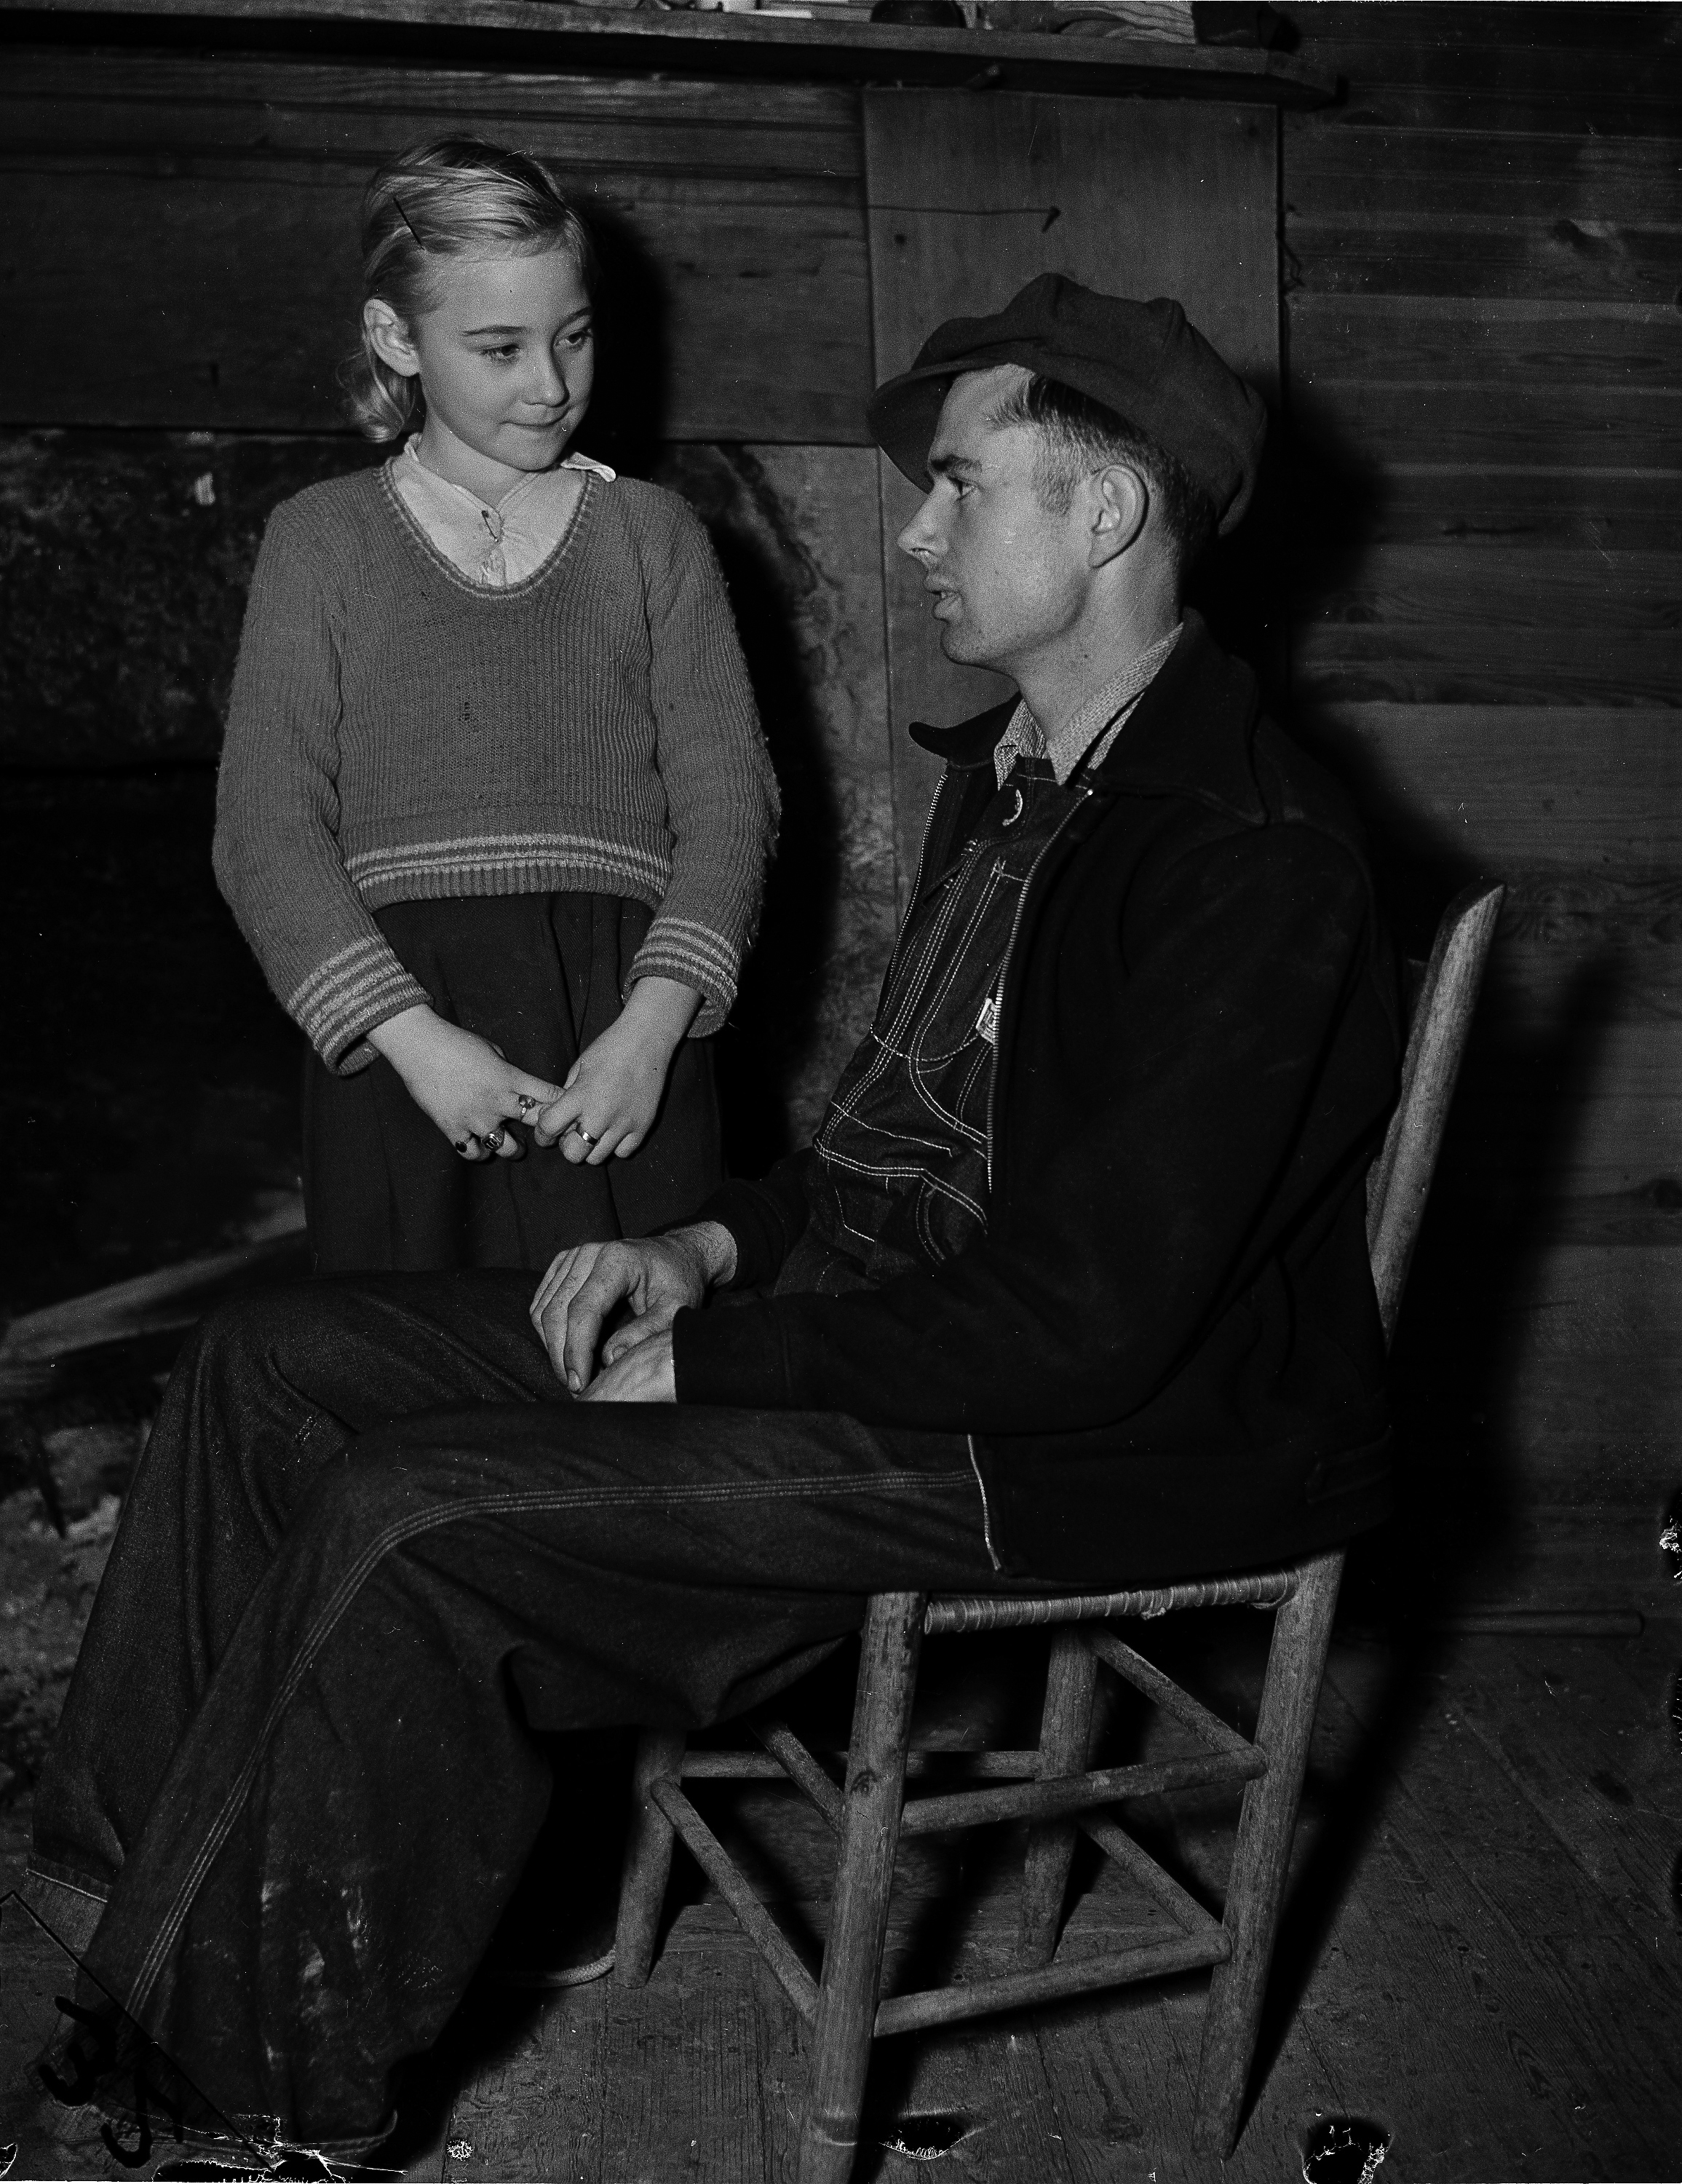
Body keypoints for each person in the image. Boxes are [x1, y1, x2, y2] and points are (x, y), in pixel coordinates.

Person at [17, 275, 1400, 2170]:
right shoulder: (1016, 788)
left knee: (416, 1519)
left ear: (1108, 513)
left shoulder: (1246, 859)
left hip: (1062, 1441)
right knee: (277, 1359)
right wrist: (709, 1249)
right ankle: (140, 1917)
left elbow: (1090, 1327)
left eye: (962, 483)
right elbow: (874, 1158)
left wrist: (710, 1357)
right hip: (880, 1323)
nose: (917, 529)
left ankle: (251, 2106)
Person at [213, 136, 779, 1275]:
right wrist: (413, 1042)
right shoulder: (320, 543)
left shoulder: (654, 539)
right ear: (396, 338)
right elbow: (265, 831)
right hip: (410, 1043)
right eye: (499, 348)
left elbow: (732, 809)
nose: (551, 384)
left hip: (627, 1034)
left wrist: (651, 1031)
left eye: (574, 336)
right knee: (415, 1396)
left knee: (630, 1405)